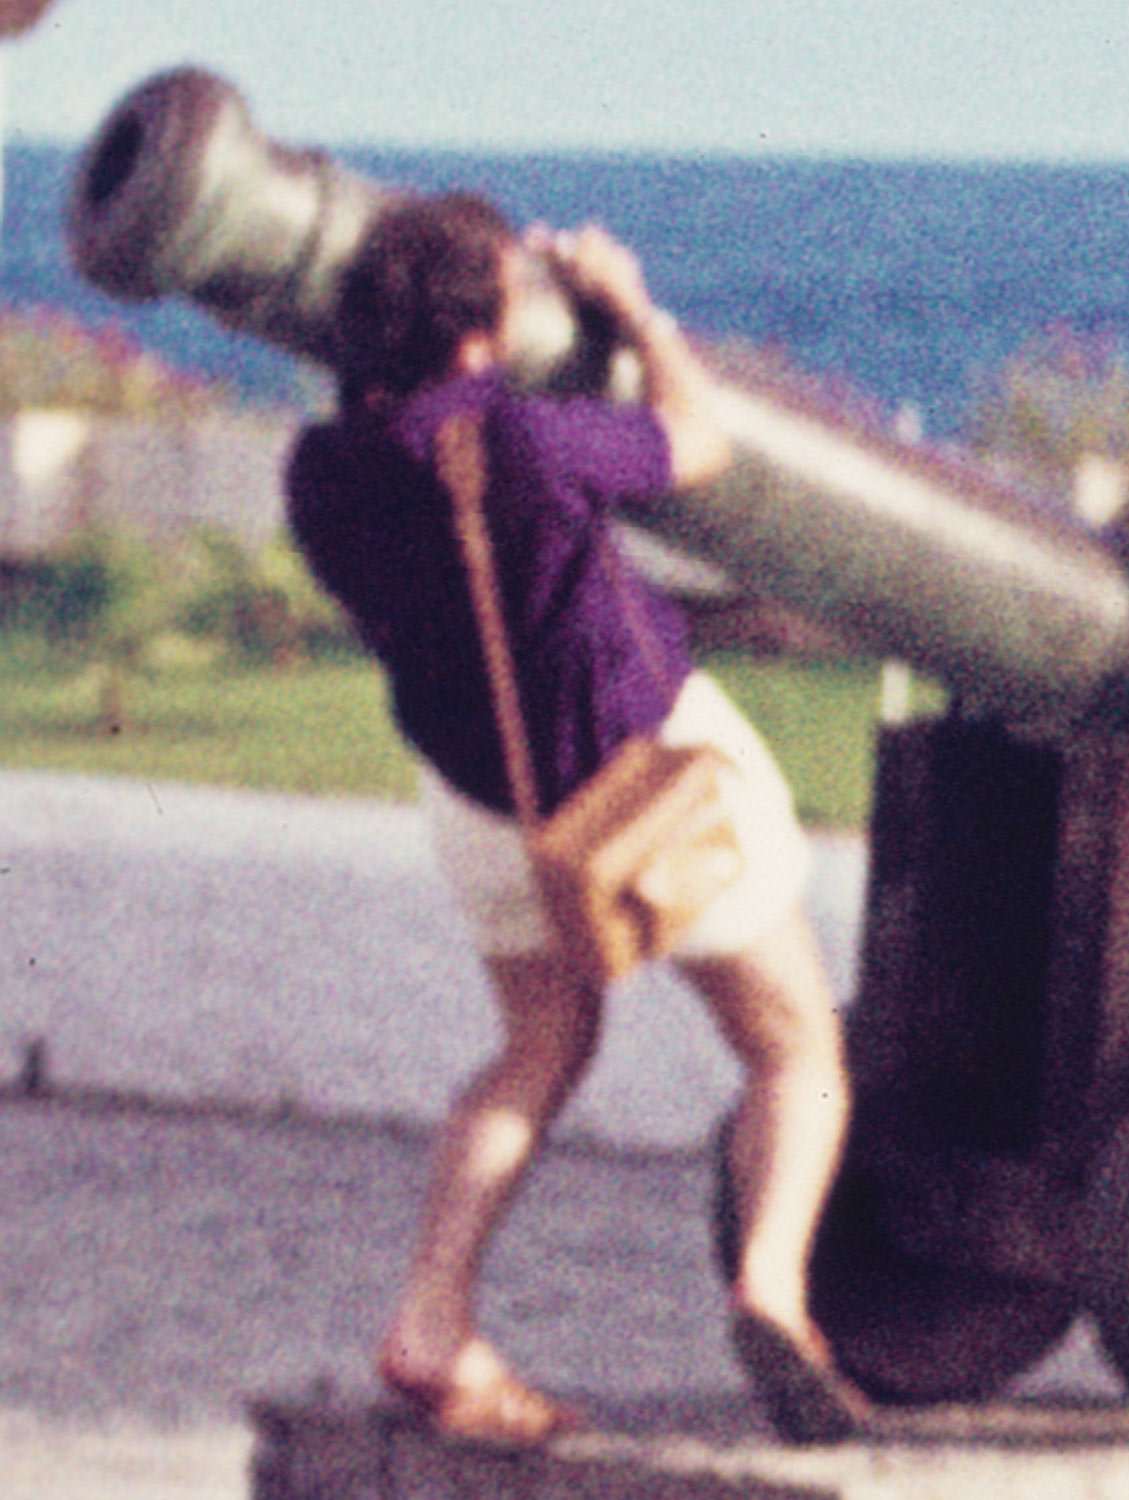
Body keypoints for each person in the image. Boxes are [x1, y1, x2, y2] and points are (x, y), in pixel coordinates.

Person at [284, 194, 863, 1444]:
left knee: (537, 1050)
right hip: (645, 787)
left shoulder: (321, 474)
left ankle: (431, 1318)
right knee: (795, 1048)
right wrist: (632, 312)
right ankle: (773, 1289)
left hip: (487, 808)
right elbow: (698, 441)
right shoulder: (528, 439)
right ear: (481, 333)